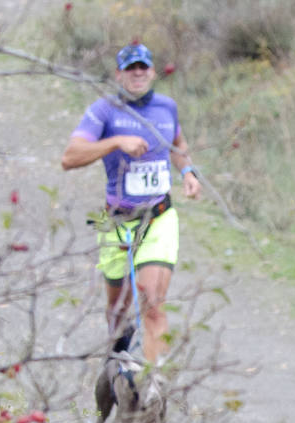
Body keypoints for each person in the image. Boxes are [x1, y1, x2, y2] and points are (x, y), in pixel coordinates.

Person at [61, 41, 201, 375]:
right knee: (118, 309)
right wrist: (114, 141)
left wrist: (187, 171)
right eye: (130, 68)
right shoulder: (104, 110)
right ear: (119, 74)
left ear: (152, 72)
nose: (137, 74)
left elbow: (177, 144)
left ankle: (153, 388)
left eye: (143, 67)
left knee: (151, 300)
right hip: (114, 221)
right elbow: (69, 157)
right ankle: (116, 363)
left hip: (159, 218)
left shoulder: (167, 107)